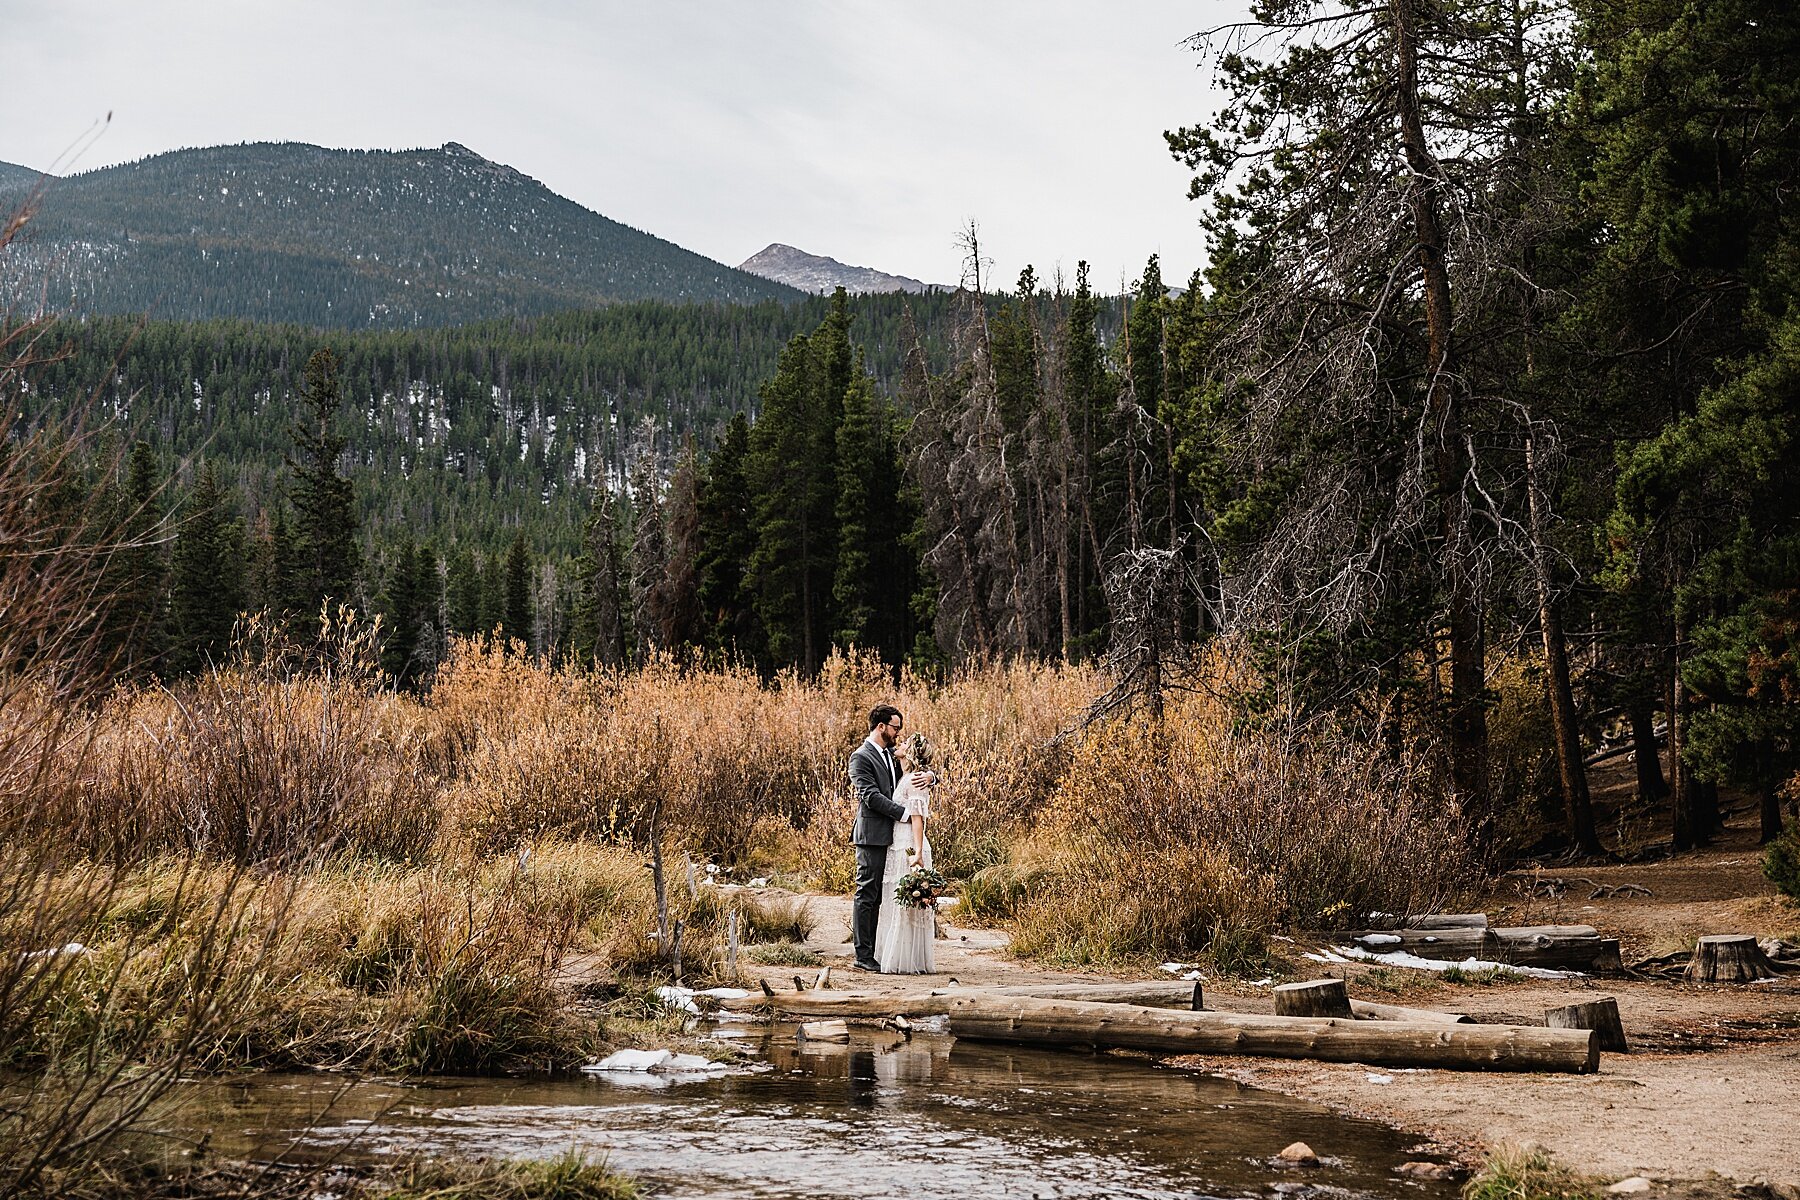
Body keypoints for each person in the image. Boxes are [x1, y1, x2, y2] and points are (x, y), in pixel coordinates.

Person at [847, 704, 933, 972]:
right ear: (881, 726)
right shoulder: (860, 757)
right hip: (872, 835)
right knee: (867, 893)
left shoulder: (891, 755)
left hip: (895, 838)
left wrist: (932, 776)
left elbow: (911, 777)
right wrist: (906, 815)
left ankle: (879, 951)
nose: (898, 733)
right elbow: (870, 796)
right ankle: (863, 956)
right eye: (896, 727)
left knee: (884, 896)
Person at [873, 732, 936, 974]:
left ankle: (907, 961)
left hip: (908, 844)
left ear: (910, 752)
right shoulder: (906, 776)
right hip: (897, 842)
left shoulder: (914, 780)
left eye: (905, 743)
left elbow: (918, 819)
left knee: (906, 903)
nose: (899, 744)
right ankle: (896, 956)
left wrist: (918, 853)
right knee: (897, 900)